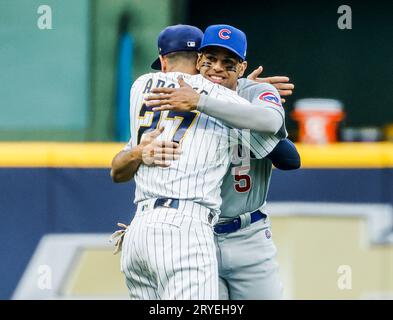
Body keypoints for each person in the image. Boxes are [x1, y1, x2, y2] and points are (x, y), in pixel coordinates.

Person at [111, 24, 286, 300]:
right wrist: (237, 100)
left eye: (226, 63)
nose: (215, 68)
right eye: (209, 60)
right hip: (187, 227)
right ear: (198, 61)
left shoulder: (141, 87)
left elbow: (286, 154)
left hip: (142, 231)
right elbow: (273, 125)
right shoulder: (209, 95)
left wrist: (238, 97)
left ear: (165, 62)